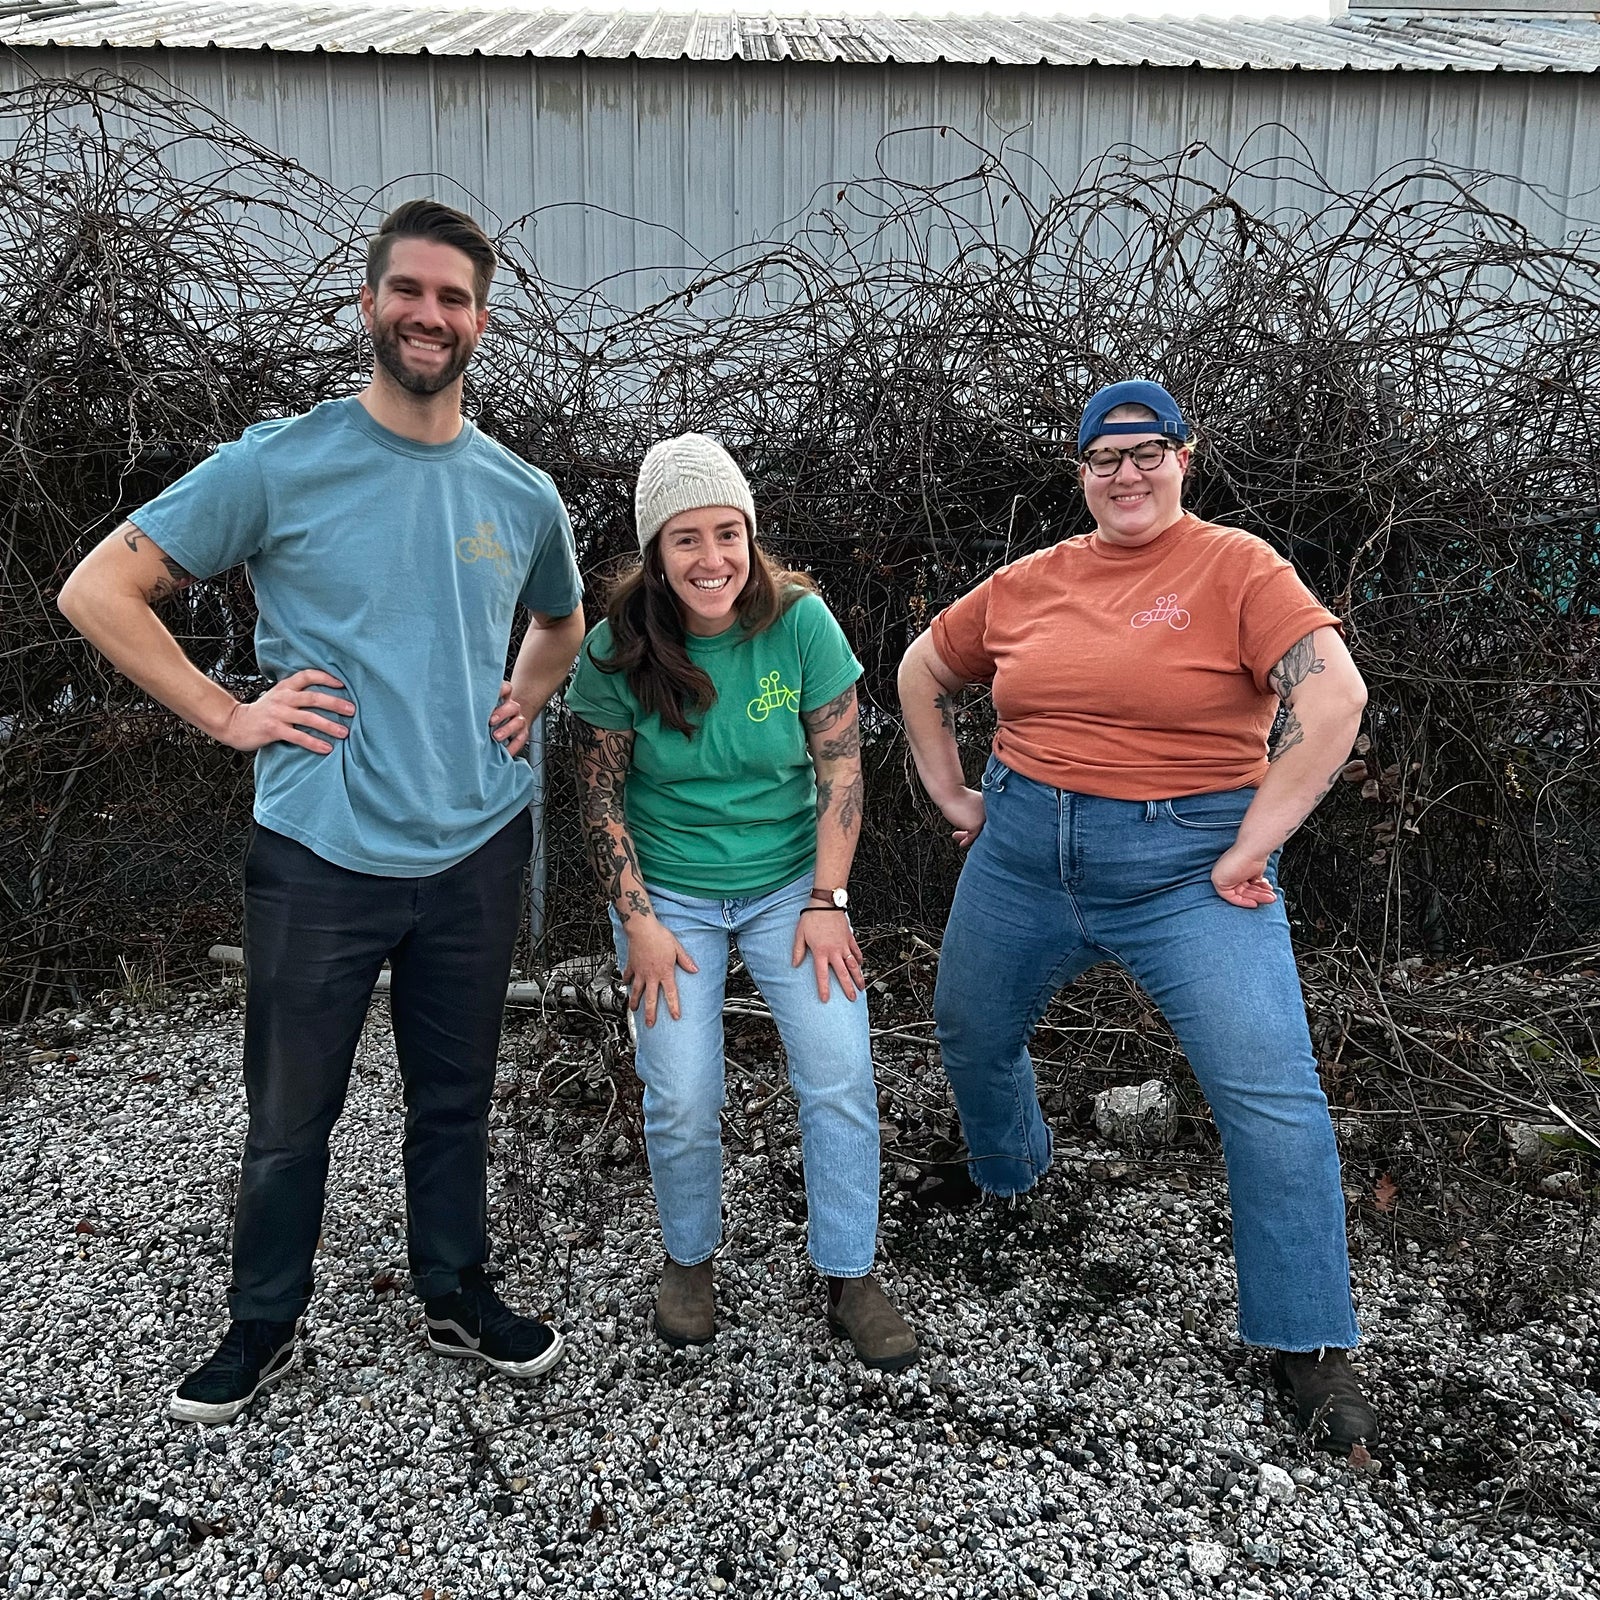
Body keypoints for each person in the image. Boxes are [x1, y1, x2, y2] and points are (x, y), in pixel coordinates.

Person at [57, 199, 585, 1423]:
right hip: (321, 853)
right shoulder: (278, 464)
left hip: (476, 846)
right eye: (409, 290)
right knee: (292, 1114)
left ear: (480, 322)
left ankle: (454, 1290)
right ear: (368, 304)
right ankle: (263, 1321)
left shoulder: (520, 493)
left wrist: (525, 695)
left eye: (453, 298)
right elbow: (99, 590)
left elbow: (561, 622)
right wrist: (228, 713)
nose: (428, 315)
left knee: (453, 1101)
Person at [897, 380, 1378, 1451]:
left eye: (1147, 451)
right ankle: (1008, 1170)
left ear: (1182, 459)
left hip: (1189, 870)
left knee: (1270, 1093)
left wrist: (1254, 844)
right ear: (1081, 473)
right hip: (1022, 854)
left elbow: (1333, 696)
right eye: (1104, 457)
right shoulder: (1031, 581)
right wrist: (952, 794)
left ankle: (1306, 1334)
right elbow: (921, 669)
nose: (1126, 474)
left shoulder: (1238, 569)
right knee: (970, 1028)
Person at [566, 434, 916, 1371]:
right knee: (681, 1090)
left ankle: (849, 1270)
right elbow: (599, 798)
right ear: (656, 551)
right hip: (669, 895)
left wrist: (828, 899)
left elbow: (842, 766)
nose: (711, 558)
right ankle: (689, 1259)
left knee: (839, 1069)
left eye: (728, 533)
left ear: (751, 536)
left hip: (791, 886)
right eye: (686, 538)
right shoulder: (616, 648)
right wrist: (638, 922)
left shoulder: (800, 622)